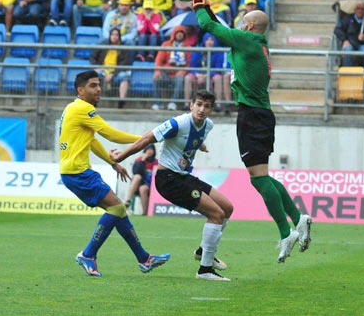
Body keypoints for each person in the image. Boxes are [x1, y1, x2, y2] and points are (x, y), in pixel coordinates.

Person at [185, 0, 312, 263]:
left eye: (243, 21)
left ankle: (285, 232)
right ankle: (297, 218)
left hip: (252, 116)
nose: (240, 25)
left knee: (258, 180)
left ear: (251, 25)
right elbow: (220, 26)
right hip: (260, 115)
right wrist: (205, 2)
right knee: (263, 177)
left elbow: (208, 26)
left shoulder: (247, 40)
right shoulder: (256, 43)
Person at [110, 90, 233, 281]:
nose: (201, 109)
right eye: (198, 104)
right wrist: (120, 157)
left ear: (211, 109)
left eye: (206, 106)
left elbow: (194, 138)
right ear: (191, 105)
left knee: (227, 208)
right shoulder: (178, 123)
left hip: (184, 176)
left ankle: (203, 251)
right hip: (168, 179)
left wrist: (200, 145)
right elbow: (145, 139)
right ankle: (205, 270)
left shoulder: (208, 125)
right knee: (216, 215)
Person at [59, 70, 170, 277]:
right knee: (118, 207)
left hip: (74, 172)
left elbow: (91, 141)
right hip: (78, 172)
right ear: (80, 90)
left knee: (118, 212)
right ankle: (88, 254)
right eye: (93, 85)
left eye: (99, 84)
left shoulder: (73, 108)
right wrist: (146, 138)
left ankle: (144, 259)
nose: (99, 89)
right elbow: (111, 134)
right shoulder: (83, 108)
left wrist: (112, 163)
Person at [152, 25, 193, 111]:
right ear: (174, 34)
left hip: (178, 73)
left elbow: (188, 63)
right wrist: (157, 71)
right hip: (166, 72)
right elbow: (159, 60)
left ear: (184, 35)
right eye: (178, 33)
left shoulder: (188, 47)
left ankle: (173, 103)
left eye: (181, 33)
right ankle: (157, 103)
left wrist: (183, 71)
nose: (179, 35)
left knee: (180, 79)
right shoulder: (166, 45)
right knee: (156, 78)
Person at [184, 33, 228, 112]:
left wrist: (207, 75)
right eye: (207, 40)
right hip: (198, 73)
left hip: (212, 74)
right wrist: (197, 74)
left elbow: (219, 67)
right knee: (188, 78)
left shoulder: (219, 51)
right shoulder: (198, 50)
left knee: (218, 78)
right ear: (204, 41)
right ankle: (187, 104)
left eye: (212, 40)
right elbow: (192, 65)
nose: (209, 42)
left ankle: (218, 104)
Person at [91, 28, 132, 108]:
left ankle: (121, 102)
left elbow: (124, 64)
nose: (114, 37)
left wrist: (112, 73)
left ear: (119, 36)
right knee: (95, 75)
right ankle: (94, 101)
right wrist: (97, 67)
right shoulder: (104, 45)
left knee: (124, 77)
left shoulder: (123, 48)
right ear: (110, 36)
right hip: (103, 69)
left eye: (116, 35)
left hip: (117, 71)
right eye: (112, 34)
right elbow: (93, 58)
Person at [334, 2, 364, 67]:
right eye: (358, 8)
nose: (360, 10)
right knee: (348, 51)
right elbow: (337, 30)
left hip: (362, 45)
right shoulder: (347, 19)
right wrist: (345, 40)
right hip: (350, 43)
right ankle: (349, 72)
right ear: (354, 10)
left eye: (362, 9)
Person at [123, 144, 157, 215]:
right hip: (138, 184)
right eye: (148, 149)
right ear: (145, 150)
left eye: (151, 149)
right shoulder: (139, 160)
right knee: (137, 177)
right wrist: (142, 161)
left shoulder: (156, 162)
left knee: (143, 189)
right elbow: (135, 172)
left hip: (151, 185)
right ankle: (128, 201)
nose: (149, 151)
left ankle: (145, 213)